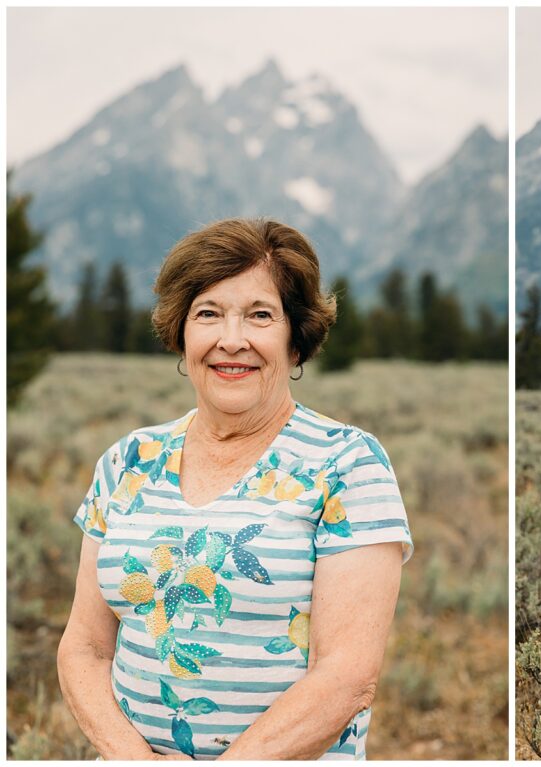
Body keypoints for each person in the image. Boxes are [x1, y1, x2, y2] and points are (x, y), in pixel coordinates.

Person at [57, 218, 413, 760]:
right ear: (182, 334)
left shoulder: (346, 465)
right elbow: (83, 648)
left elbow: (346, 677)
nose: (231, 340)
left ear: (296, 340)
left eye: (260, 316)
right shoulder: (127, 461)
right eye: (208, 314)